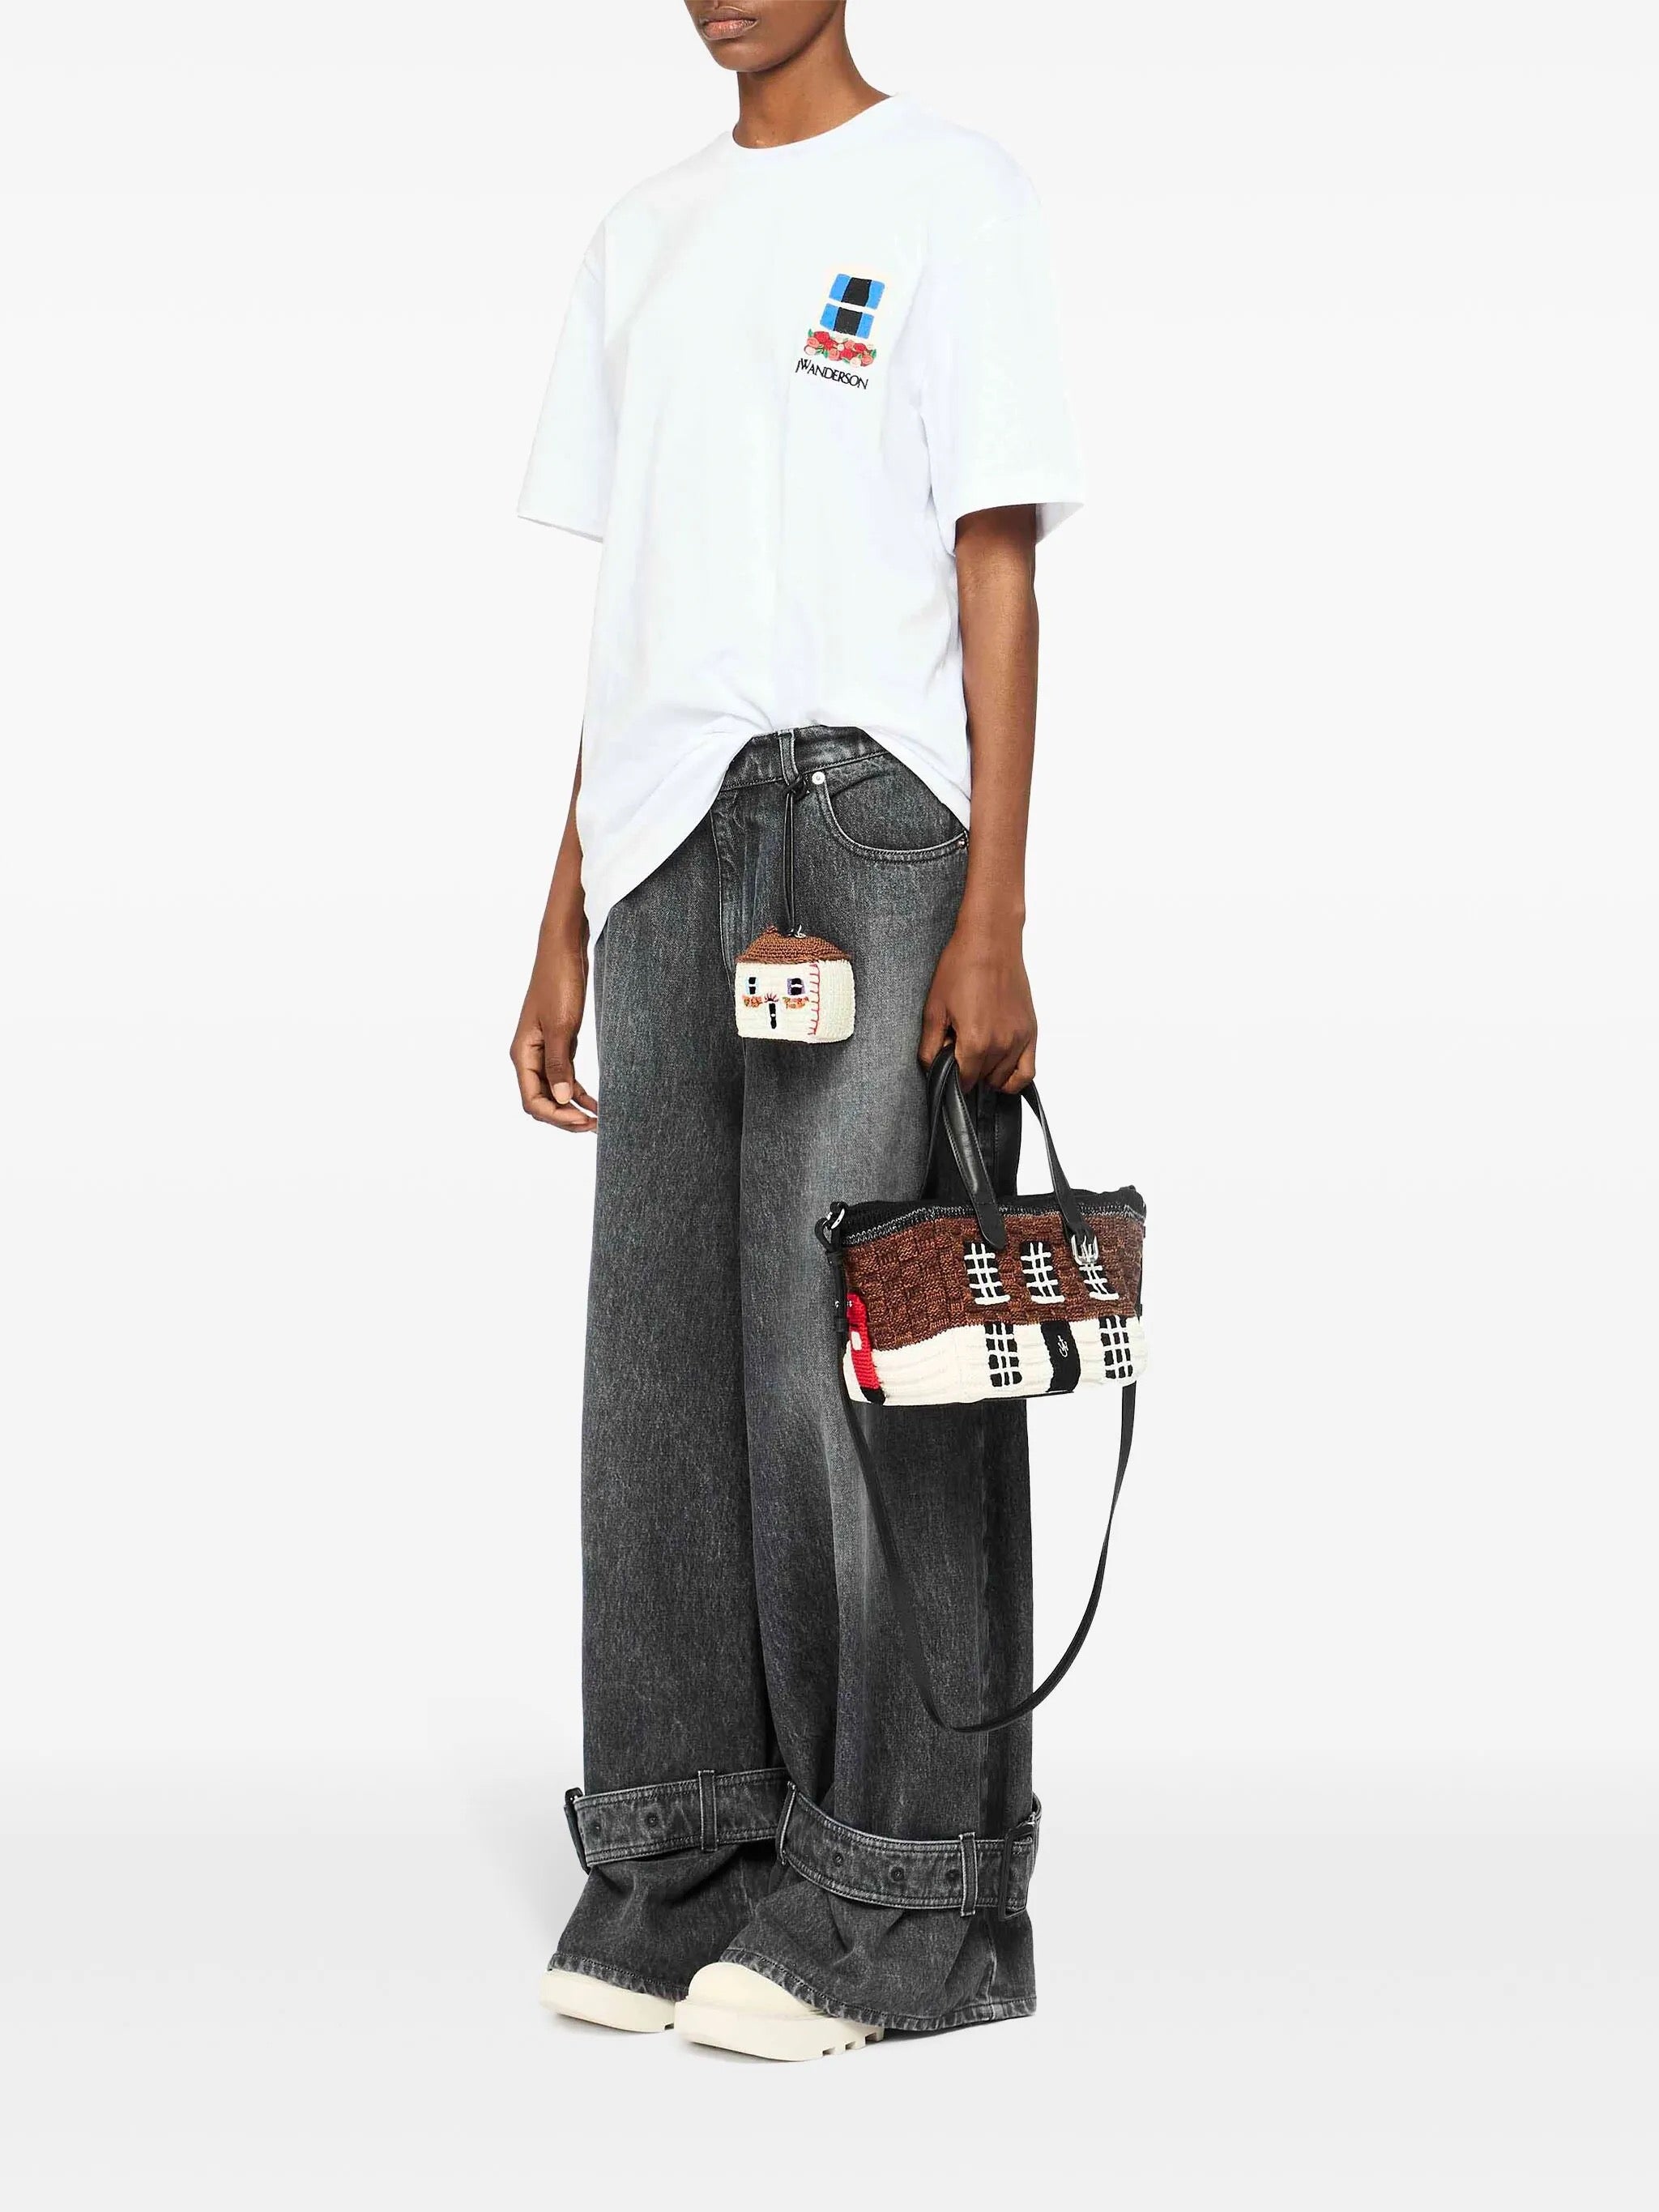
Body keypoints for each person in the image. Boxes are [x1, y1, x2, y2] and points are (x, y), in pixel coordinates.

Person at [512, 0, 1083, 2060]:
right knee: (661, 1367)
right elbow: (633, 619)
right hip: (668, 835)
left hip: (871, 822)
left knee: (856, 1365)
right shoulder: (641, 235)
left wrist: (994, 910)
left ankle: (913, 1902)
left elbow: (996, 565)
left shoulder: (949, 192)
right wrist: (562, 907)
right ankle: (687, 1856)